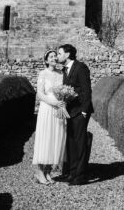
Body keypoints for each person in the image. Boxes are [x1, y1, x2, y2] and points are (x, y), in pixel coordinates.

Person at [56, 44, 93, 185]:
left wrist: (84, 111)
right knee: (71, 143)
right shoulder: (65, 70)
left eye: (60, 53)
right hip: (70, 111)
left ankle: (80, 176)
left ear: (67, 54)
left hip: (80, 112)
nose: (58, 56)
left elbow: (86, 90)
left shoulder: (80, 67)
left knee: (80, 143)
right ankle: (72, 172)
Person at [31, 49, 67, 185]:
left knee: (55, 139)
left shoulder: (61, 73)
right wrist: (54, 102)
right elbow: (40, 94)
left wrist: (63, 101)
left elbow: (64, 90)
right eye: (51, 57)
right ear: (46, 60)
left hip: (59, 110)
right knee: (46, 138)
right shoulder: (43, 74)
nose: (54, 58)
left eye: (55, 56)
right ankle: (40, 172)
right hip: (47, 108)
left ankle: (48, 171)